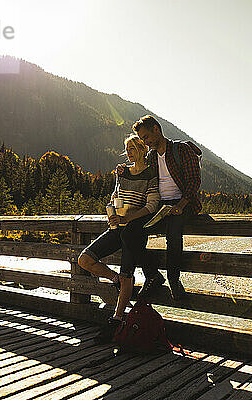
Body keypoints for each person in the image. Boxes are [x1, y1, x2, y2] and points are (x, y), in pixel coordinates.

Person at [78, 134, 160, 342]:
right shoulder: (122, 173)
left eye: (133, 147)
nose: (129, 151)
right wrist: (112, 211)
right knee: (84, 259)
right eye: (127, 148)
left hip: (134, 230)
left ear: (142, 148)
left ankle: (116, 320)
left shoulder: (151, 174)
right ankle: (115, 280)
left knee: (127, 275)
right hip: (117, 227)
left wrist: (132, 215)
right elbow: (116, 197)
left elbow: (152, 205)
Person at [132, 115, 202, 301]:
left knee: (173, 233)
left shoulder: (182, 150)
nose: (145, 143)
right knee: (133, 231)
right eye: (142, 140)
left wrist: (180, 205)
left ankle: (173, 279)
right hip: (160, 206)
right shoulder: (151, 156)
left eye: (146, 137)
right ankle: (152, 275)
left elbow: (194, 181)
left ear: (157, 129)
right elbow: (142, 179)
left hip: (183, 202)